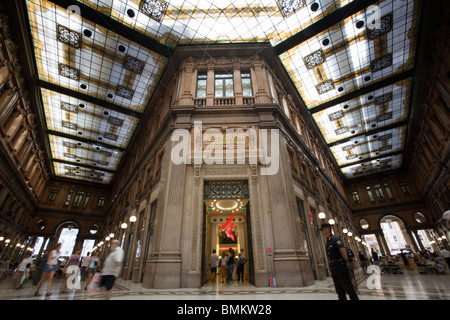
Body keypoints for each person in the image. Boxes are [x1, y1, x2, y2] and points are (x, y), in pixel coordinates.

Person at [320, 223, 358, 300]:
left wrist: (343, 265)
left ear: (327, 229)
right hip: (334, 269)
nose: (322, 231)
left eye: (322, 229)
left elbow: (344, 253)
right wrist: (330, 269)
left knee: (349, 289)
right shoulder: (328, 241)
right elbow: (330, 258)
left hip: (340, 268)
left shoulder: (336, 240)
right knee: (339, 291)